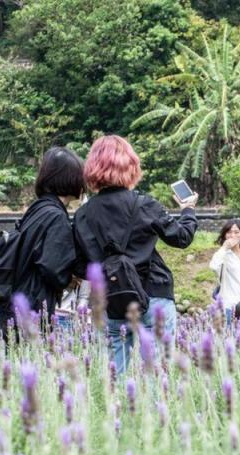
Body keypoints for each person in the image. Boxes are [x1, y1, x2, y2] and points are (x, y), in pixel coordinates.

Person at [72, 135, 198, 373]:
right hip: (154, 294)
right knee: (157, 374)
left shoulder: (83, 215)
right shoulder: (145, 205)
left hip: (110, 299)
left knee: (115, 377)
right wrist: (188, 210)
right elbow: (181, 238)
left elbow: (80, 267)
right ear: (130, 166)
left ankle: (118, 411)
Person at [0, 147, 84, 338]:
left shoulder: (38, 208)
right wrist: (69, 280)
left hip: (14, 301)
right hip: (33, 306)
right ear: (69, 178)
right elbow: (52, 265)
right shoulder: (55, 216)